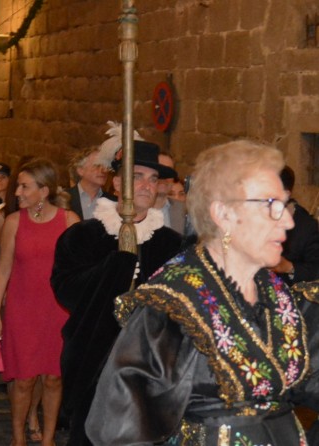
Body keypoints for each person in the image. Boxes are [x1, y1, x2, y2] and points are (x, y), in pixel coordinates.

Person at [85, 140, 309, 444]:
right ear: (223, 214)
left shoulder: (280, 297)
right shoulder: (174, 303)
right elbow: (122, 425)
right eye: (270, 205)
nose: (287, 220)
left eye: (285, 204)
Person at [51, 139, 182, 446]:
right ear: (118, 182)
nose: (147, 186)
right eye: (138, 177)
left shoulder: (171, 244)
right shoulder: (83, 236)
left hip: (151, 367)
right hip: (94, 359)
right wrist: (116, 265)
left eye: (153, 179)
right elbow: (66, 291)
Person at [0, 158, 79, 446]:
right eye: (18, 186)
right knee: (25, 379)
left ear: (44, 190)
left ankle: (48, 439)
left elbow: (79, 271)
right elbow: (3, 269)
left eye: (24, 186)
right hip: (22, 310)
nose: (17, 192)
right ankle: (18, 438)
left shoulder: (69, 221)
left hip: (58, 310)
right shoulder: (14, 222)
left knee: (54, 378)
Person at [271, 165, 319, 285]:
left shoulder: (306, 226)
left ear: (286, 194)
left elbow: (315, 269)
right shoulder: (254, 215)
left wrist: (288, 267)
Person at [65, 147, 112, 220]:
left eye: (106, 166)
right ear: (81, 170)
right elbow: (40, 214)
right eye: (97, 166)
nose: (104, 170)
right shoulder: (63, 197)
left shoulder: (113, 201)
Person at [154, 151, 186, 234]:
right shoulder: (133, 210)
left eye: (168, 171)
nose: (164, 177)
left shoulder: (185, 211)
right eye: (159, 170)